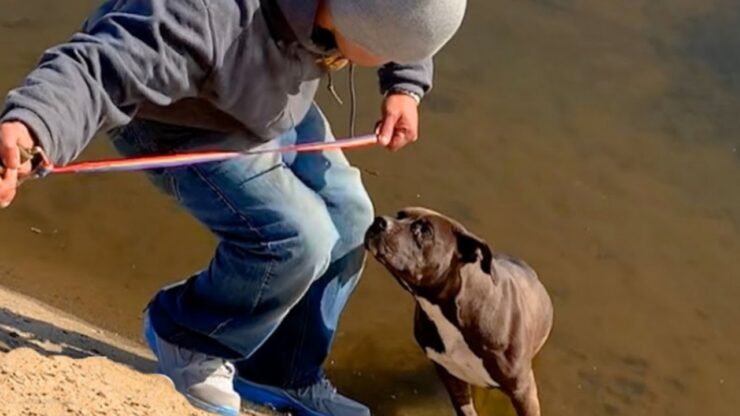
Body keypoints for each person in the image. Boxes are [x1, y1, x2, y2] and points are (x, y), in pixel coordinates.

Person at [0, 0, 466, 414]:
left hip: (270, 94)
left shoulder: (355, 15)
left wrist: (405, 85)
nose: (389, 60)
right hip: (182, 122)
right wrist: (32, 127)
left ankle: (282, 370)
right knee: (299, 239)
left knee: (352, 219)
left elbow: (406, 12)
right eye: (388, 53)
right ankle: (186, 334)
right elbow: (96, 67)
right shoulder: (203, 17)